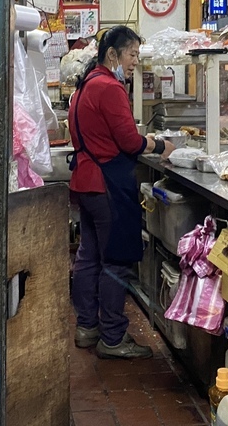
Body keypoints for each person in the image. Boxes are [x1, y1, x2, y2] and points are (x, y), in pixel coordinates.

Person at [68, 26, 175, 359]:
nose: (134, 62)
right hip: (106, 185)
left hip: (86, 182)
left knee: (88, 258)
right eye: (131, 55)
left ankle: (87, 327)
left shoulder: (85, 85)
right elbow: (130, 141)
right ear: (112, 54)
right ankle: (113, 338)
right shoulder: (109, 87)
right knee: (115, 261)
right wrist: (160, 144)